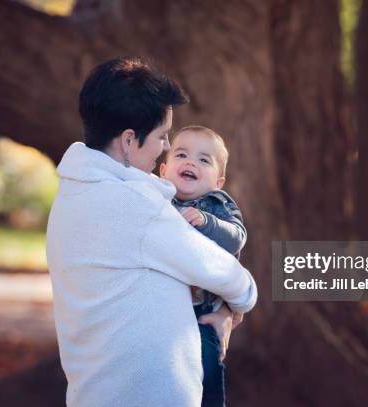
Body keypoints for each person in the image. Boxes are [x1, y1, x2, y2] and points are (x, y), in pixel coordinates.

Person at [46, 57, 258, 407]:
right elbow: (219, 270)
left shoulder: (74, 192)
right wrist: (239, 303)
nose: (164, 147)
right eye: (162, 137)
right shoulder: (134, 205)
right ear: (129, 140)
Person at [160, 125, 247, 407]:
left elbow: (237, 238)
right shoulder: (156, 199)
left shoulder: (216, 204)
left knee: (207, 364)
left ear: (218, 181)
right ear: (163, 170)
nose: (190, 162)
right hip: (166, 311)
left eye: (203, 160)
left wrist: (208, 222)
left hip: (202, 312)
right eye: (181, 154)